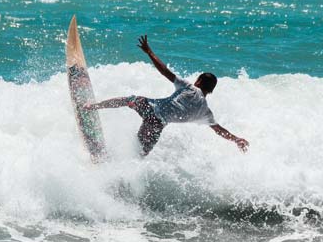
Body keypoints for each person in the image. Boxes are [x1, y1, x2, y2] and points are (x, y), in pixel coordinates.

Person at [85, 35, 249, 156]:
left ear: (198, 81)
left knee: (129, 100)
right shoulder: (205, 113)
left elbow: (165, 71)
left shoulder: (189, 87)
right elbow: (219, 130)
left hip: (150, 109)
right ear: (211, 90)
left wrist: (149, 52)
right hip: (157, 126)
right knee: (138, 155)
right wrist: (236, 140)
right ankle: (119, 175)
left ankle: (93, 106)